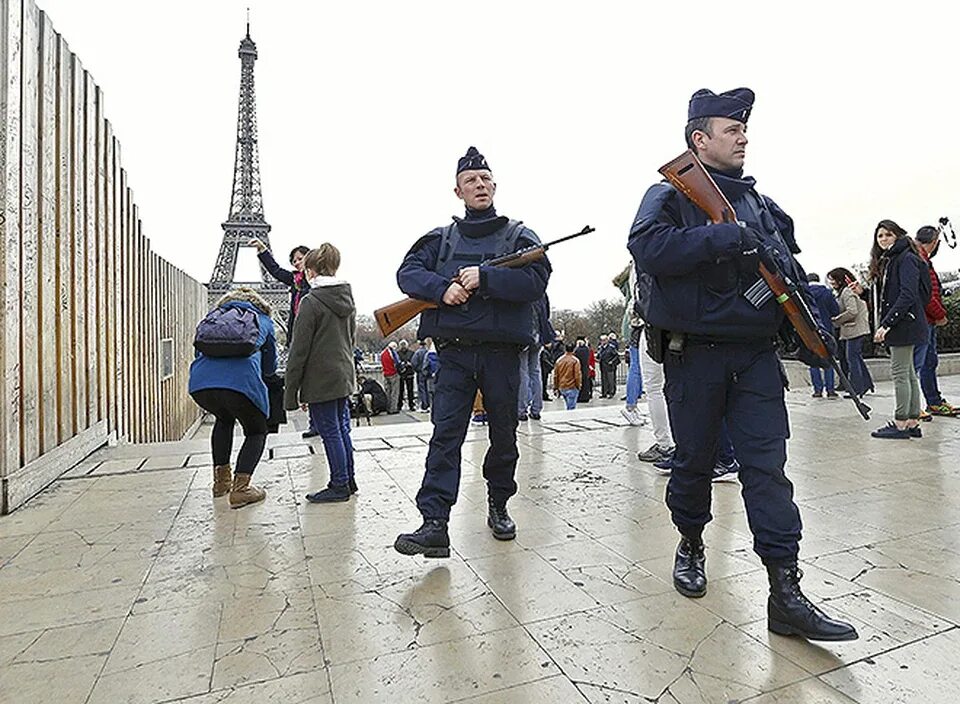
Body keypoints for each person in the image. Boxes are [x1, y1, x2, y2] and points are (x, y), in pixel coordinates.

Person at [629, 87, 857, 641]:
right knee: (693, 465)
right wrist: (719, 237)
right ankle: (690, 542)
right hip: (695, 358)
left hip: (754, 359)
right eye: (732, 130)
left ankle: (785, 590)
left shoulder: (759, 203)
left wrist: (810, 329)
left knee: (767, 471)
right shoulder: (668, 196)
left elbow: (785, 275)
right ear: (698, 140)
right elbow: (647, 247)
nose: (744, 137)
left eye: (744, 130)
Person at [392, 146, 551, 558]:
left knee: (504, 435)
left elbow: (536, 280)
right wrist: (442, 288)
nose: (479, 186)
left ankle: (498, 503)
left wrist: (487, 278)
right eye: (470, 181)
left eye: (485, 179)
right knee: (445, 436)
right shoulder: (440, 240)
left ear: (494, 185)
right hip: (455, 354)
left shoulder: (520, 236)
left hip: (501, 354)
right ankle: (434, 522)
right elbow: (407, 272)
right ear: (457, 191)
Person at [189, 287, 277, 509]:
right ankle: (241, 489)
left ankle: (221, 483)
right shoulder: (263, 319)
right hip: (240, 384)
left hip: (202, 384)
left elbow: (198, 351)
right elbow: (270, 367)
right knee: (256, 430)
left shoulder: (214, 317)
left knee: (224, 419)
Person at [283, 244, 358, 502]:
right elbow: (351, 339)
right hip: (342, 374)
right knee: (341, 429)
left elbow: (298, 351)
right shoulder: (347, 298)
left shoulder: (311, 302)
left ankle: (338, 484)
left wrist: (291, 392)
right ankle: (348, 479)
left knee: (329, 431)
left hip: (320, 378)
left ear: (311, 271)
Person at [250, 239, 318, 438]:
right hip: (298, 333)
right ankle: (314, 423)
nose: (296, 262)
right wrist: (263, 251)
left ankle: (318, 422)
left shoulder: (315, 281)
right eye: (294, 260)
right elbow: (275, 270)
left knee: (313, 379)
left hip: (311, 334)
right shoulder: (295, 281)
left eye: (300, 258)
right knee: (307, 379)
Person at [869, 220, 928, 439]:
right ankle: (912, 421)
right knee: (909, 373)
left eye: (888, 235)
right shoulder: (895, 259)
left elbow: (907, 294)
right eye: (880, 236)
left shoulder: (904, 259)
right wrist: (864, 293)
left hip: (904, 324)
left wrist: (887, 323)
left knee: (901, 373)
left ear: (898, 235)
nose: (883, 239)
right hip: (908, 322)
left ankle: (901, 422)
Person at [913, 226, 958, 417]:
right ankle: (916, 406)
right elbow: (926, 294)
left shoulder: (923, 258)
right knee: (920, 364)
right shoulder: (919, 259)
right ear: (935, 241)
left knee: (929, 361)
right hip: (925, 319)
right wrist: (940, 315)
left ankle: (934, 401)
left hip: (927, 319)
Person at [827, 268, 874, 398]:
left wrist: (836, 320)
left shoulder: (847, 292)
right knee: (856, 357)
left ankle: (856, 389)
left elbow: (852, 311)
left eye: (833, 279)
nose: (831, 282)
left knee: (852, 358)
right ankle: (866, 384)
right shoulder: (846, 291)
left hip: (854, 329)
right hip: (855, 329)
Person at [518, 296, 555, 421]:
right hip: (539, 334)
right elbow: (547, 313)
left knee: (522, 372)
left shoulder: (521, 289)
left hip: (524, 334)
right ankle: (536, 409)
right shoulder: (540, 292)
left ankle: (521, 410)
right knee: (535, 371)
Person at [806, 273, 840, 398]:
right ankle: (830, 389)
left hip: (810, 331)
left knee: (813, 361)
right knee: (829, 360)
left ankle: (817, 390)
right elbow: (835, 311)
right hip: (826, 330)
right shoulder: (827, 293)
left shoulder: (804, 292)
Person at [553, 343, 582, 409]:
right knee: (571, 407)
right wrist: (578, 385)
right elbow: (577, 375)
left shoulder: (559, 360)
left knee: (567, 404)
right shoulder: (575, 361)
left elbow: (556, 375)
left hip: (562, 386)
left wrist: (556, 387)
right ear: (573, 350)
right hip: (572, 386)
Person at [380, 341, 401, 414]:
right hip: (393, 373)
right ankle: (393, 408)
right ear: (394, 347)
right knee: (394, 392)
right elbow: (397, 362)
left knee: (387, 392)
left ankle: (387, 407)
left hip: (386, 374)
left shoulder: (382, 353)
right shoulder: (392, 353)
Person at [397, 339, 417, 412]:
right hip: (401, 374)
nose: (403, 347)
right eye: (402, 345)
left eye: (404, 345)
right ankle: (399, 405)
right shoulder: (397, 353)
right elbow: (396, 364)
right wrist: (401, 365)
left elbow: (414, 362)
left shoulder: (412, 353)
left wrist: (410, 364)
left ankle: (411, 405)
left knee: (410, 391)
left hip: (409, 373)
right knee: (400, 391)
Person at [599, 333, 621, 399]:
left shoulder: (611, 347)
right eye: (601, 340)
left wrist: (612, 361)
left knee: (611, 380)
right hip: (603, 366)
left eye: (604, 340)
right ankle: (604, 393)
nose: (602, 342)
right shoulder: (600, 348)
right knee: (604, 380)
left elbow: (616, 355)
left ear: (607, 340)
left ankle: (611, 392)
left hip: (610, 366)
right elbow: (599, 355)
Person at [411, 340, 430, 412]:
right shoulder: (428, 352)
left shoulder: (417, 353)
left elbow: (414, 363)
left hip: (420, 373)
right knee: (427, 389)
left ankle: (423, 405)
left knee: (421, 389)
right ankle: (428, 404)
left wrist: (417, 370)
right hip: (427, 373)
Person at [574, 338, 592, 403]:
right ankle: (586, 397)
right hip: (586, 368)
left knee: (580, 383)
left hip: (579, 368)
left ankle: (580, 397)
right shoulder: (587, 350)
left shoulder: (577, 350)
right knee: (586, 383)